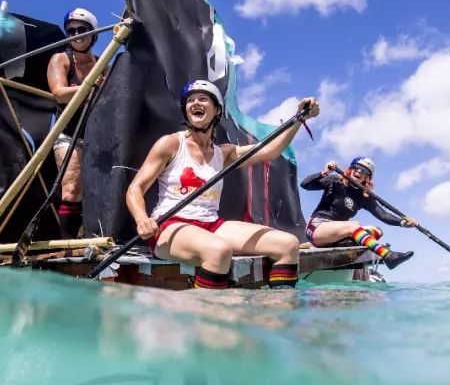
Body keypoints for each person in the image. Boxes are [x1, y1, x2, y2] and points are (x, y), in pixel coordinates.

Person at [126, 80, 319, 289]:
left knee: (288, 245)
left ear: (217, 110)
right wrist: (142, 219)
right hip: (169, 226)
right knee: (218, 251)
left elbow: (270, 150)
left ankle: (277, 315)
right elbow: (135, 188)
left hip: (211, 224)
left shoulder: (224, 152)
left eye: (202, 99)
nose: (195, 103)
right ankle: (208, 319)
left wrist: (298, 120)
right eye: (190, 100)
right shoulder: (170, 143)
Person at [300, 157, 416, 270]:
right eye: (357, 167)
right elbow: (305, 184)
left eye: (364, 171)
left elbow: (383, 214)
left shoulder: (363, 196)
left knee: (377, 231)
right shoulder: (335, 180)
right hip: (317, 227)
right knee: (354, 225)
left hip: (339, 232)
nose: (359, 171)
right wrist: (325, 172)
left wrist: (403, 222)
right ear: (350, 169)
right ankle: (387, 255)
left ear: (367, 178)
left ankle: (348, 242)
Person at [47, 7, 102, 239]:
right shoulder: (61, 59)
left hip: (97, 135)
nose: (76, 34)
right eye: (70, 31)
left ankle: (86, 235)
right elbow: (59, 93)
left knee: (95, 192)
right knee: (70, 190)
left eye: (81, 30)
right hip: (68, 133)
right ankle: (67, 245)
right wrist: (90, 85)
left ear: (93, 34)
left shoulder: (104, 64)